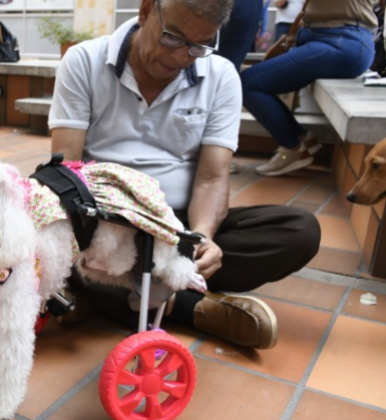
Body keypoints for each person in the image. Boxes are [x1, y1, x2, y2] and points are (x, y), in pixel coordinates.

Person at [49, 0, 321, 349]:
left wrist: (202, 238)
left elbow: (211, 177)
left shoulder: (221, 76)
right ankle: (194, 308)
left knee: (299, 231)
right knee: (53, 235)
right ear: (147, 10)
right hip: (106, 222)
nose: (181, 58)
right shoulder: (84, 61)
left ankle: (99, 296)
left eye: (199, 45)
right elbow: (67, 168)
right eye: (173, 38)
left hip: (177, 225)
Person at [242, 0, 377, 177]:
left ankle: (293, 146)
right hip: (332, 39)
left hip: (341, 41)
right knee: (252, 81)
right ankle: (300, 138)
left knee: (248, 83)